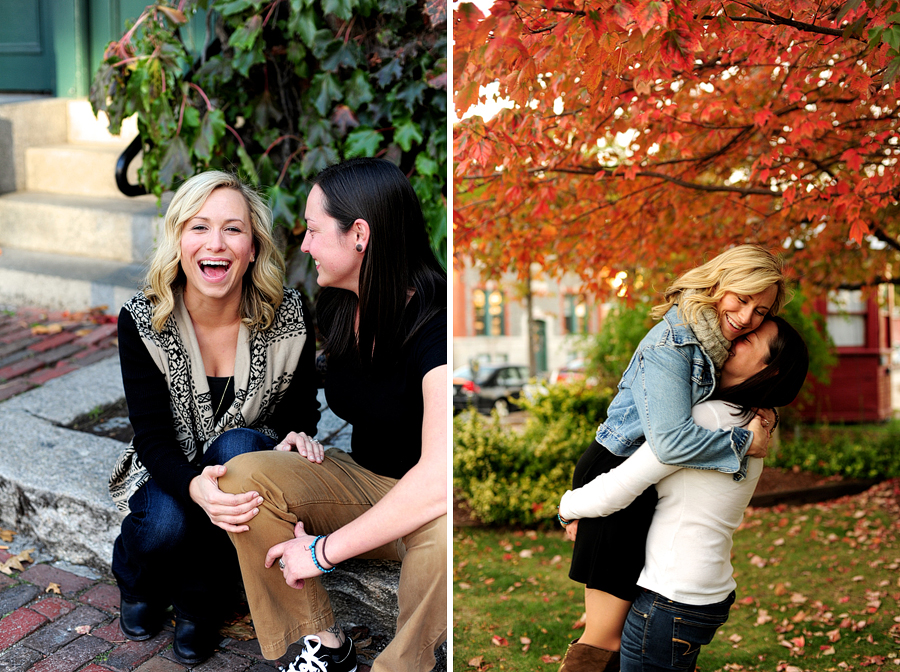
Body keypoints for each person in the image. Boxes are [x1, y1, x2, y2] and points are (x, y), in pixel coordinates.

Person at [220, 157, 447, 672]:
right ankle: (320, 645)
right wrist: (297, 435)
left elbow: (438, 478)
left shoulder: (438, 325)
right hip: (363, 484)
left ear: (359, 234)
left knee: (443, 540)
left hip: (430, 505)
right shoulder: (339, 304)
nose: (303, 244)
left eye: (314, 230)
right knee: (242, 476)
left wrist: (322, 552)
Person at [108, 171, 321, 665]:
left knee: (234, 450)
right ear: (178, 239)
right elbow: (153, 438)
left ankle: (197, 603)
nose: (216, 243)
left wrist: (297, 436)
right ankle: (136, 576)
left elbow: (300, 409)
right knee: (166, 520)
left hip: (244, 463)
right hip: (167, 465)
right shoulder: (143, 320)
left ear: (252, 246)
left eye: (233, 228)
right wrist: (192, 486)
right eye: (199, 227)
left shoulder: (288, 313)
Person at [555, 245, 787, 672]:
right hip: (619, 469)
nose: (747, 316)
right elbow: (671, 444)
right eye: (742, 297)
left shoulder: (713, 341)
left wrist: (764, 406)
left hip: (642, 478)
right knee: (604, 635)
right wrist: (742, 443)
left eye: (761, 310)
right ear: (718, 283)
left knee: (629, 629)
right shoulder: (673, 343)